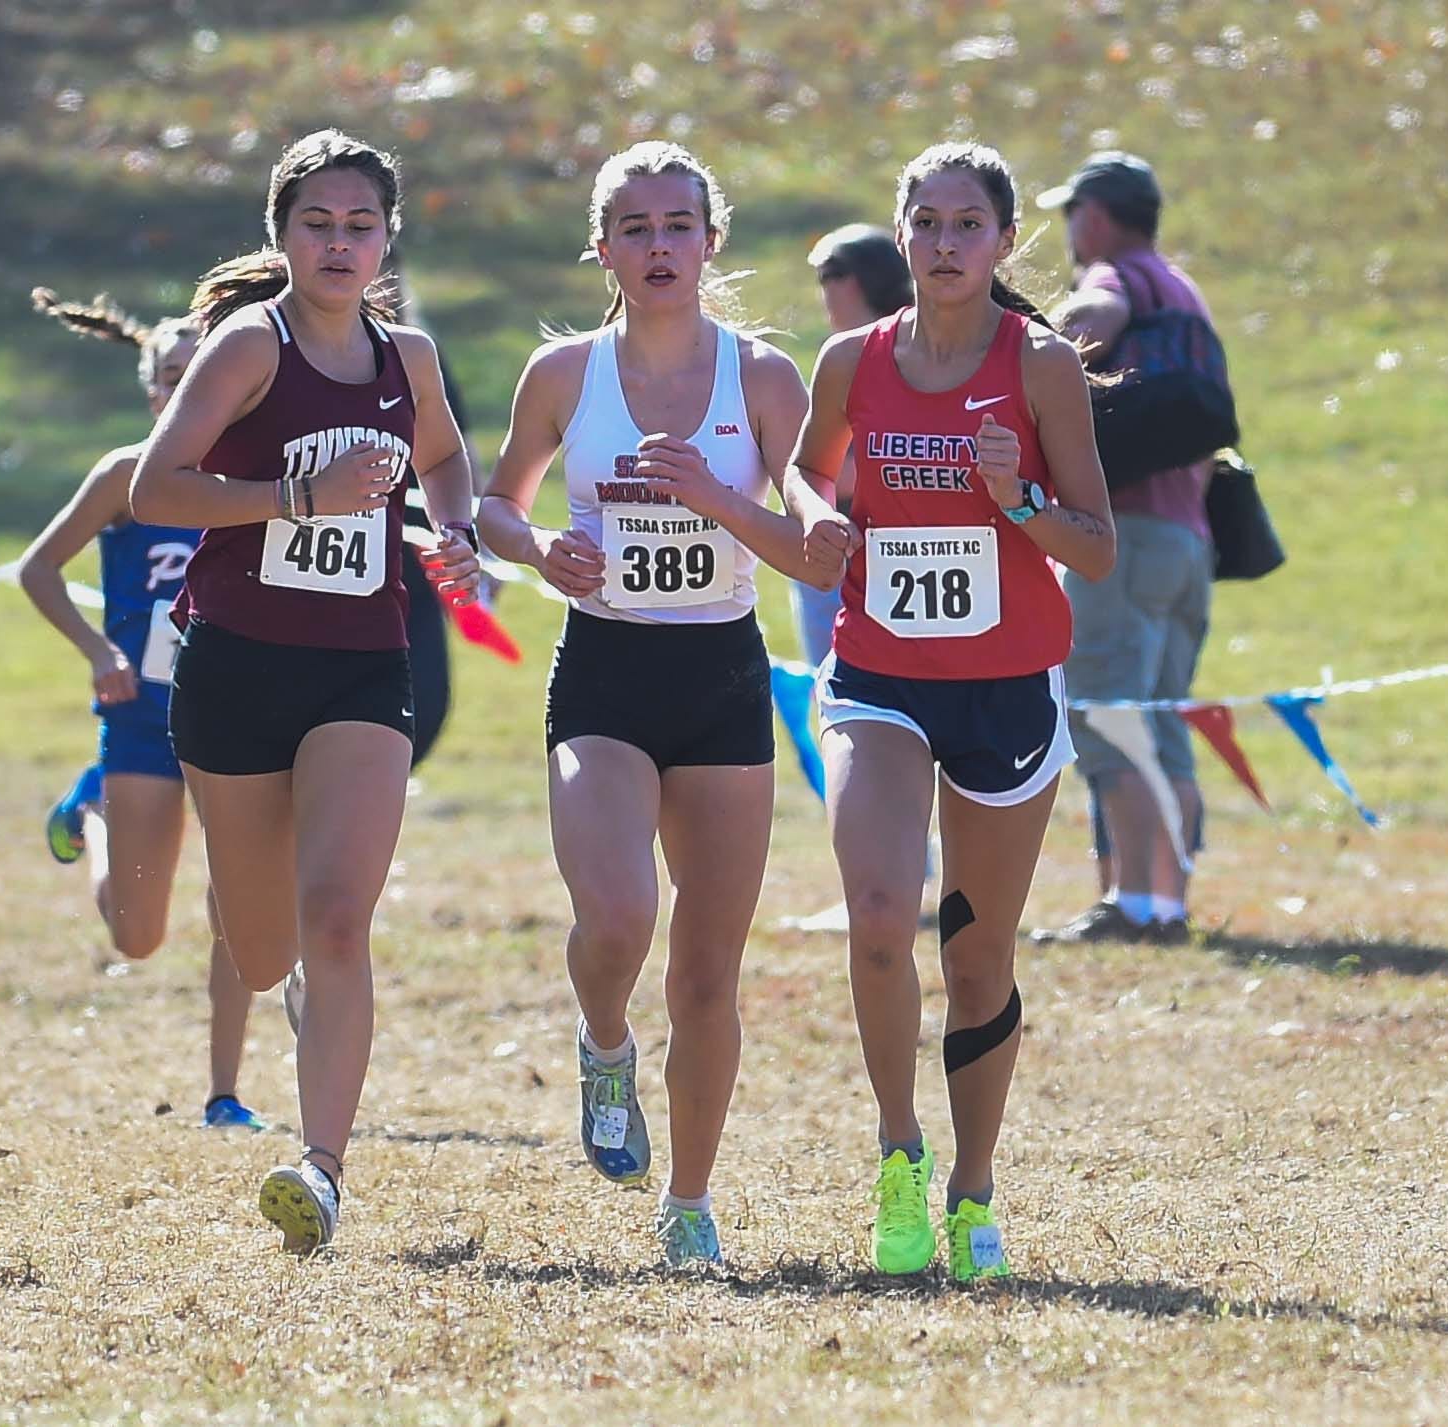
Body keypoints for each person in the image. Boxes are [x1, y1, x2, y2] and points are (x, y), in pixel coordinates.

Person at [130, 129, 481, 1252]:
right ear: (280, 234)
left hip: (363, 665)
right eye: (318, 224)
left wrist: (459, 531)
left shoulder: (408, 356)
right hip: (235, 662)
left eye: (360, 225)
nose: (340, 244)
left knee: (337, 917)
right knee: (265, 946)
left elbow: (445, 458)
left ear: (388, 240)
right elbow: (155, 487)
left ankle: (320, 1166)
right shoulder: (248, 345)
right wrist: (300, 495)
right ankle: (288, 987)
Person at [478, 141, 821, 1267]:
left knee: (709, 967)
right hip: (606, 670)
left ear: (711, 241)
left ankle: (688, 1199)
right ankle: (603, 1041)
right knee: (618, 915)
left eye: (679, 225)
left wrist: (716, 497)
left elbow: (812, 548)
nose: (659, 245)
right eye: (636, 227)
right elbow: (493, 508)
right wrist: (542, 551)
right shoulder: (564, 375)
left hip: (721, 672)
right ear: (604, 249)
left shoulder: (764, 377)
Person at [781, 142, 1116, 1282]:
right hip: (877, 676)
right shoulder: (849, 360)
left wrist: (1013, 497)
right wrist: (814, 519)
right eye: (922, 221)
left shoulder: (1042, 367)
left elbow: (1097, 548)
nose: (941, 243)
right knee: (879, 911)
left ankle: (974, 1185)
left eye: (965, 223)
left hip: (1006, 690)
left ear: (1003, 240)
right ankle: (897, 1153)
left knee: (977, 959)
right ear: (902, 233)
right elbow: (802, 473)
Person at [17, 290, 266, 1132]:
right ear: (149, 390)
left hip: (236, 710)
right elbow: (38, 569)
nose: (183, 385)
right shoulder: (126, 475)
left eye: (200, 370)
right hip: (140, 717)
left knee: (237, 904)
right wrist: (100, 651)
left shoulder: (254, 473)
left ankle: (225, 1093)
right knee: (138, 938)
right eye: (169, 375)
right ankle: (88, 810)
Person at [1030, 151, 1219, 947]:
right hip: (1187, 540)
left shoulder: (1115, 278)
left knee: (1109, 717)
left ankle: (1132, 904)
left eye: (1072, 216)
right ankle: (1166, 903)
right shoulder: (1184, 294)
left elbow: (1093, 317)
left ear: (1095, 216)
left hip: (1127, 537)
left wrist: (1036, 364)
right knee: (1161, 722)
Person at [792, 226, 912, 666]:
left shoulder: (861, 355)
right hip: (881, 540)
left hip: (856, 545)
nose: (824, 296)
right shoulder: (920, 344)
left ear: (851, 282)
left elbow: (845, 474)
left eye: (826, 279)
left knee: (837, 684)